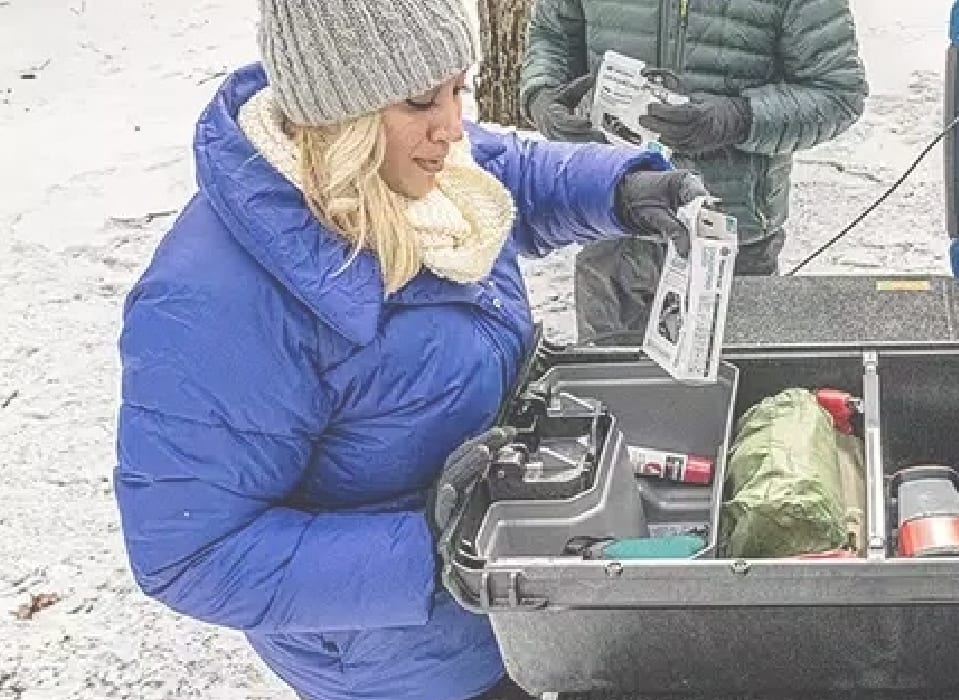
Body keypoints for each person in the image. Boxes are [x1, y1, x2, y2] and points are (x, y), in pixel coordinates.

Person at [110, 0, 709, 698]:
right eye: (423, 100)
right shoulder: (214, 304)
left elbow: (500, 172)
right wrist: (435, 549)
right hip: (405, 663)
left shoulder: (417, 165)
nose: (452, 125)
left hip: (514, 605)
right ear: (339, 118)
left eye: (459, 89)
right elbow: (191, 554)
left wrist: (619, 188)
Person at [518, 0, 870, 343]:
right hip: (613, 231)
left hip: (731, 240)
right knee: (613, 393)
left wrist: (738, 118)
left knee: (739, 395)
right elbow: (552, 39)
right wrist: (544, 99)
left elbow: (837, 94)